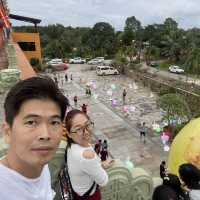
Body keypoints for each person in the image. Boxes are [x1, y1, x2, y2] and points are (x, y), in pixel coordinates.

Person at [0, 76, 69, 200]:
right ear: (7, 132)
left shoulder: (42, 168)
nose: (45, 135)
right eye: (31, 122)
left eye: (54, 122)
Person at [63, 109, 113, 199]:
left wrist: (99, 164)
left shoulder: (72, 146)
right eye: (78, 129)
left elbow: (83, 166)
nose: (86, 132)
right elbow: (103, 181)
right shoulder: (87, 155)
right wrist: (101, 166)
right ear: (69, 134)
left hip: (78, 192)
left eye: (87, 125)